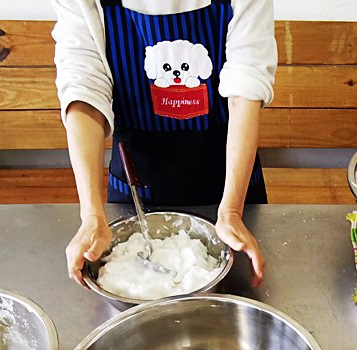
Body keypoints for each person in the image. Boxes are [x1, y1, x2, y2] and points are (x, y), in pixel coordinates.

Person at [51, 0, 276, 287]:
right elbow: (83, 91)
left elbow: (246, 88)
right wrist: (92, 215)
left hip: (233, 185)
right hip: (134, 188)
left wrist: (231, 211)